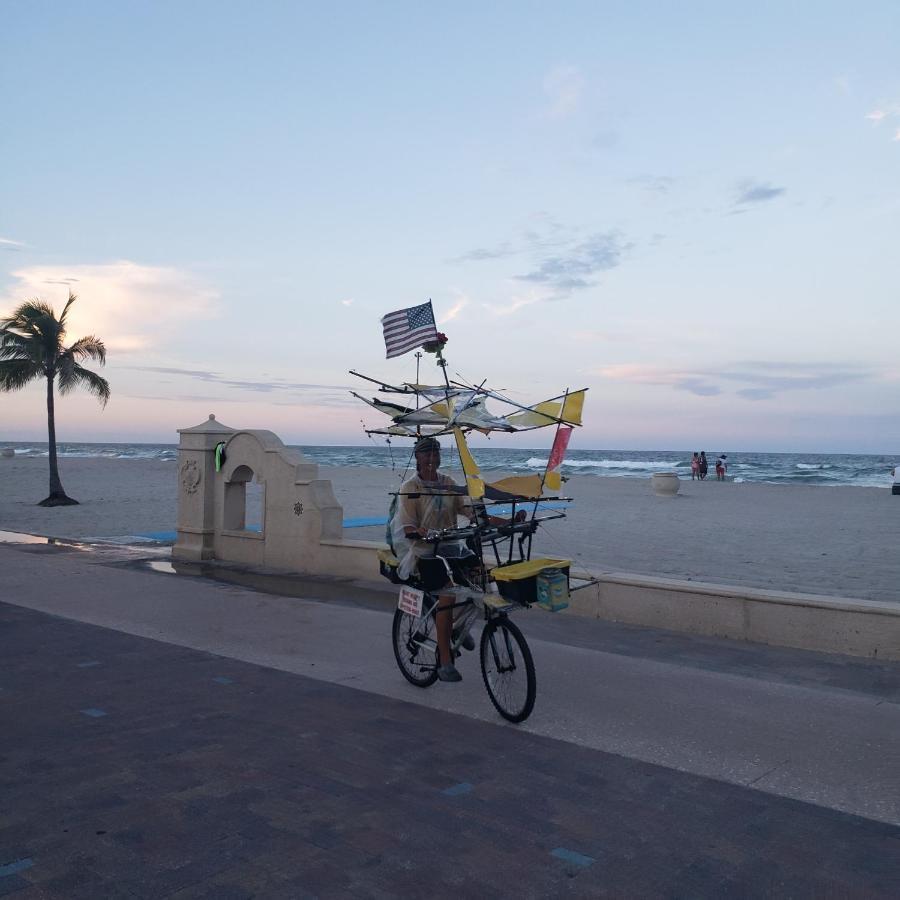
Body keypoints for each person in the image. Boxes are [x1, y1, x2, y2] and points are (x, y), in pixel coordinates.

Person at [393, 435, 524, 683]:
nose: (432, 458)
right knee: (448, 593)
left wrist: (507, 522)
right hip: (426, 553)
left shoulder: (448, 483)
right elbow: (407, 524)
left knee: (481, 579)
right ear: (418, 458)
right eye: (427, 454)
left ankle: (454, 628)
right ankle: (444, 661)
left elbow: (470, 513)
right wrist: (417, 531)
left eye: (436, 453)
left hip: (452, 548)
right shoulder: (411, 488)